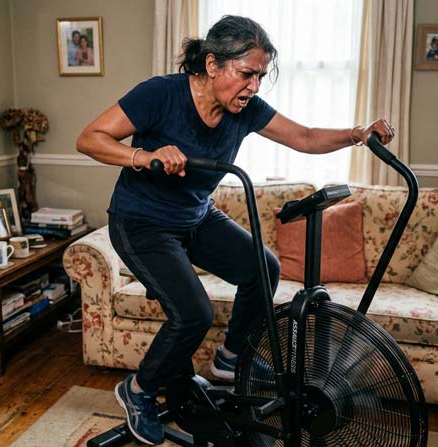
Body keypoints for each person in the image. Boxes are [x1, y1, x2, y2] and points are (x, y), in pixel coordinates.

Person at [76, 15, 394, 445]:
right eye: (246, 74)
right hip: (142, 223)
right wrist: (144, 155)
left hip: (195, 216)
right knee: (193, 314)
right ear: (212, 65)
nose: (254, 86)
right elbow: (90, 138)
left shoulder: (245, 110)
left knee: (263, 266)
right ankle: (138, 391)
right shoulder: (161, 94)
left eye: (260, 76)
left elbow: (303, 136)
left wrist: (358, 134)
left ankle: (228, 359)